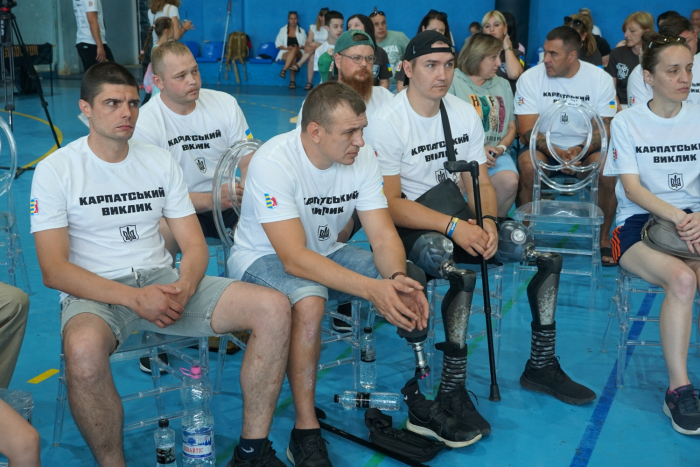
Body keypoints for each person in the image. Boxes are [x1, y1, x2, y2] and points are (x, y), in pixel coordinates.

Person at [30, 61, 292, 467]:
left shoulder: (158, 160)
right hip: (96, 292)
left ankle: (251, 452)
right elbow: (54, 270)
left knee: (273, 308)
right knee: (82, 349)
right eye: (112, 103)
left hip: (164, 282)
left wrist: (184, 286)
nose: (126, 113)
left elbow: (194, 245)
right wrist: (134, 299)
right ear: (85, 108)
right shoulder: (56, 170)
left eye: (133, 103)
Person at [229, 82, 437, 465]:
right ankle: (305, 429)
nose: (361, 141)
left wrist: (394, 279)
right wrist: (372, 290)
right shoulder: (274, 160)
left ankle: (431, 391)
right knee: (311, 299)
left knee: (409, 277)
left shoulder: (362, 156)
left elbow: (382, 235)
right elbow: (294, 258)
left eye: (362, 129)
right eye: (350, 132)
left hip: (327, 253)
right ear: (315, 132)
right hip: (261, 260)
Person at [365, 30, 497, 438]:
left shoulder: (462, 112)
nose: (442, 74)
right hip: (408, 225)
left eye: (449, 65)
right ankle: (438, 389)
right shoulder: (388, 121)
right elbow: (388, 203)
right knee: (453, 266)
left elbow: (480, 182)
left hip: (454, 216)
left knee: (523, 246)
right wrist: (454, 227)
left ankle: (540, 362)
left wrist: (489, 222)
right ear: (407, 68)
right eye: (431, 65)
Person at [604, 32, 700, 435]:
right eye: (673, 70)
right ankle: (679, 390)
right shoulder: (627, 122)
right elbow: (632, 189)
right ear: (648, 77)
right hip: (637, 225)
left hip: (693, 220)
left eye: (688, 69)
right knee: (682, 279)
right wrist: (681, 218)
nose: (684, 78)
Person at [133, 41, 253, 264]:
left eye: (195, 71)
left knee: (269, 223)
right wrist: (211, 200)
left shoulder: (225, 104)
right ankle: (168, 281)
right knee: (162, 231)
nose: (192, 80)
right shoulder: (145, 123)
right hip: (180, 207)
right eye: (181, 76)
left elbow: (249, 161)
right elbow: (154, 196)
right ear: (159, 82)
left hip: (228, 201)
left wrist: (245, 190)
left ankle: (253, 278)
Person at [514, 26, 618, 266]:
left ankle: (603, 239)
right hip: (544, 149)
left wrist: (579, 151)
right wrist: (559, 154)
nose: (546, 59)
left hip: (585, 149)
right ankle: (526, 237)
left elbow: (605, 128)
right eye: (545, 52)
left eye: (553, 54)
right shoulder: (530, 78)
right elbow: (526, 131)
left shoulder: (599, 79)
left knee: (607, 168)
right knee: (527, 165)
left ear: (572, 56)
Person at [448, 33, 519, 216]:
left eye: (499, 56)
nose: (499, 63)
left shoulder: (503, 84)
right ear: (476, 56)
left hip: (496, 154)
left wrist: (500, 148)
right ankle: (461, 227)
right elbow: (446, 127)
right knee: (456, 184)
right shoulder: (453, 81)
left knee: (510, 180)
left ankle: (492, 224)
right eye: (493, 57)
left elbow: (511, 127)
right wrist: (477, 151)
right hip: (461, 153)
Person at [297, 30, 393, 127]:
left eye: (369, 58)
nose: (364, 64)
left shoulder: (385, 98)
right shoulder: (316, 104)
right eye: (356, 58)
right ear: (338, 60)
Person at [628, 16, 700, 107]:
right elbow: (640, 113)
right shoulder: (641, 73)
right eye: (673, 71)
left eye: (689, 69)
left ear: (695, 36)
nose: (682, 48)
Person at [395, 10, 452, 92]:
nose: (438, 34)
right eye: (433, 30)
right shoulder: (410, 55)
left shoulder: (451, 55)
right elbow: (401, 86)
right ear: (424, 29)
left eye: (441, 30)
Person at [607, 12, 654, 107]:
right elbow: (610, 90)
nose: (626, 34)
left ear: (646, 32)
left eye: (632, 31)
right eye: (625, 31)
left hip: (649, 106)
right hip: (621, 106)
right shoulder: (617, 54)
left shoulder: (656, 56)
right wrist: (619, 111)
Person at [482, 10, 524, 94]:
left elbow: (514, 74)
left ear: (505, 28)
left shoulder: (517, 53)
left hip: (507, 99)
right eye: (487, 26)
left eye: (496, 25)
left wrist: (508, 48)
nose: (491, 29)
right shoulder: (478, 53)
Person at [344, 14, 391, 88]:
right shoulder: (342, 52)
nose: (351, 29)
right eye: (349, 26)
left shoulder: (380, 52)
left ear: (367, 28)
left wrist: (377, 95)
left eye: (356, 25)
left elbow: (384, 82)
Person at [370, 10, 410, 91]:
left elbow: (414, 54)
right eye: (376, 24)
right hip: (379, 85)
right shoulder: (369, 44)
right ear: (370, 27)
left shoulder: (399, 37)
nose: (381, 27)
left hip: (400, 83)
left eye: (383, 23)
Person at [73, 0, 114, 72]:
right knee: (111, 73)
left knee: (92, 76)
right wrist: (100, 46)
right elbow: (92, 21)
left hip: (82, 42)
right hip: (92, 43)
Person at [140, 17, 175, 100]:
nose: (174, 30)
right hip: (160, 84)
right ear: (166, 31)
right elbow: (154, 69)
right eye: (172, 28)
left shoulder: (165, 47)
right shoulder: (157, 49)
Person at [297, 7, 329, 91]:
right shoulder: (313, 27)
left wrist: (317, 45)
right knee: (311, 57)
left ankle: (299, 64)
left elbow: (329, 43)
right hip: (314, 50)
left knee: (315, 43)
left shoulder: (329, 28)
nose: (327, 18)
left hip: (326, 49)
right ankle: (309, 82)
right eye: (325, 16)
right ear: (320, 17)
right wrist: (308, 46)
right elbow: (308, 41)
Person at [276, 11, 307, 89]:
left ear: (297, 20)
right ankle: (292, 82)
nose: (293, 21)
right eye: (291, 18)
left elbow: (305, 46)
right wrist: (287, 48)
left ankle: (284, 70)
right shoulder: (283, 30)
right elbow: (278, 44)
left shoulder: (302, 31)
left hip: (299, 52)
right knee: (293, 57)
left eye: (295, 18)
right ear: (288, 20)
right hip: (285, 52)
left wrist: (298, 48)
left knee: (294, 49)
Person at [314, 11, 344, 84]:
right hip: (326, 86)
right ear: (327, 28)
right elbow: (323, 73)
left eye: (341, 26)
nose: (340, 29)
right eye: (335, 26)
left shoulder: (347, 47)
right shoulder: (320, 50)